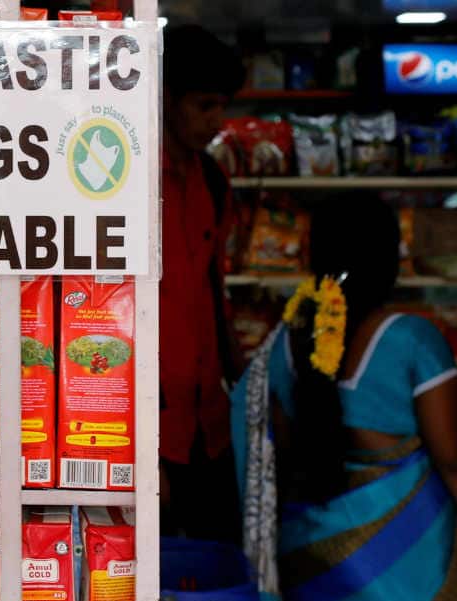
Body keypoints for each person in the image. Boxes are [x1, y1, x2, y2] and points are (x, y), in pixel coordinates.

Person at [232, 191, 457, 601]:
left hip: (313, 576)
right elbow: (456, 457)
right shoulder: (411, 340)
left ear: (314, 256)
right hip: (408, 586)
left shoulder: (282, 348)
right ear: (390, 257)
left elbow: (280, 460)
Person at [160, 25, 245, 544]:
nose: (217, 122)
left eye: (222, 107)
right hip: (150, 426)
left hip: (209, 423)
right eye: (204, 105)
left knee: (216, 556)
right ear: (166, 98)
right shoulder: (126, 181)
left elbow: (216, 291)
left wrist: (245, 382)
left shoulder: (213, 179)